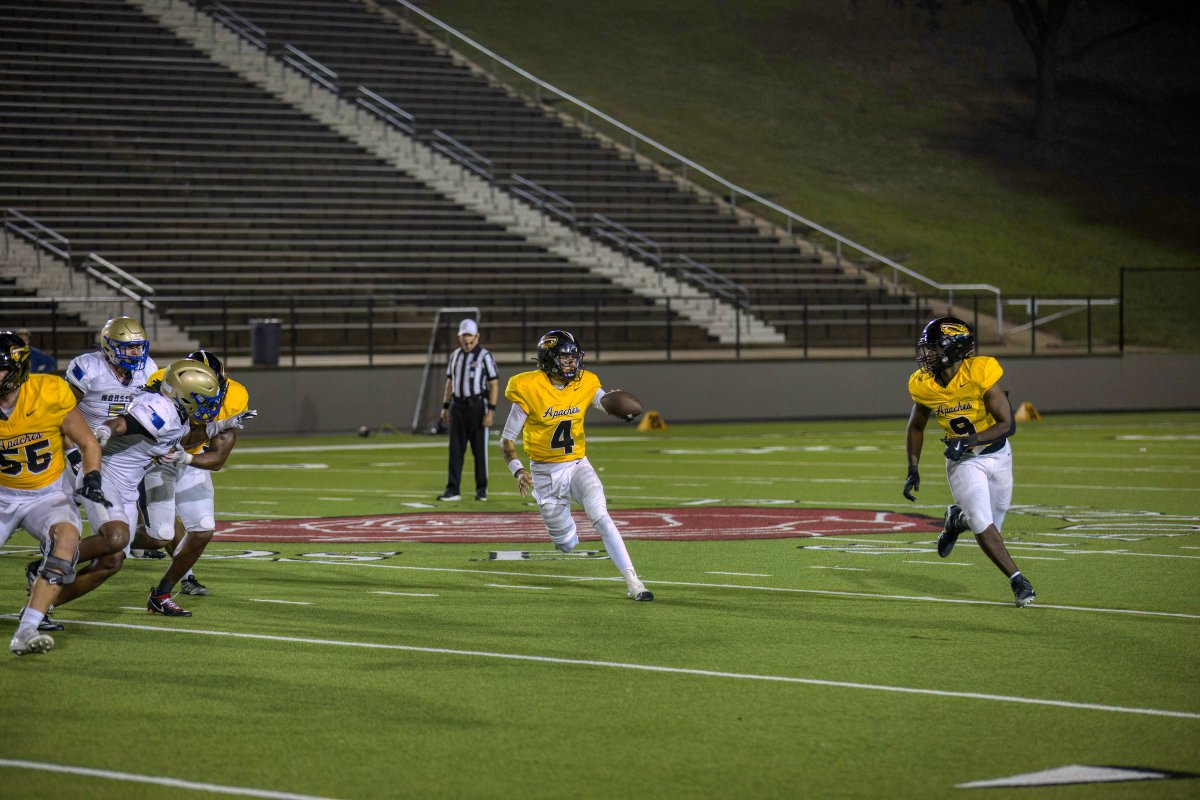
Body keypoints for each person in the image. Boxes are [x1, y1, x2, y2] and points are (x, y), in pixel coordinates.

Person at [49, 359, 227, 616]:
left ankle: (43, 605)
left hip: (126, 489)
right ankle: (50, 561)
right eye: (203, 400)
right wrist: (105, 430)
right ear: (183, 395)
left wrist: (216, 428)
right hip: (105, 478)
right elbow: (123, 423)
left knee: (111, 562)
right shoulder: (161, 409)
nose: (210, 406)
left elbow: (177, 437)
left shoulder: (176, 413)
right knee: (115, 539)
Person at [499, 330, 653, 601]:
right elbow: (506, 441)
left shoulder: (585, 382)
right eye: (565, 359)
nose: (573, 365)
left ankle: (633, 581)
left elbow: (604, 403)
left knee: (601, 516)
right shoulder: (528, 388)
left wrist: (620, 408)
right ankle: (566, 531)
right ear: (549, 360)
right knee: (567, 544)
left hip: (577, 464)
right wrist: (518, 470)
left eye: (574, 359)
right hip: (545, 473)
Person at [903, 317, 1035, 608]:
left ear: (954, 347)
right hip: (963, 462)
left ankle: (955, 520)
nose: (928, 354)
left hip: (998, 455)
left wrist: (969, 440)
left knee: (990, 524)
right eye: (928, 348)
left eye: (935, 347)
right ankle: (1018, 581)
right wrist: (913, 467)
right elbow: (916, 426)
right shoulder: (924, 384)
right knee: (981, 522)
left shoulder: (979, 371)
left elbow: (1006, 423)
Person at [0, 331, 110, 655]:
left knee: (66, 544)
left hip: (47, 494)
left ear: (17, 368)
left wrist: (92, 478)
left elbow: (88, 442)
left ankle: (27, 630)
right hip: (2, 493)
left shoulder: (49, 391)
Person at [141, 350, 255, 610]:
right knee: (159, 535)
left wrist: (187, 457)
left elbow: (217, 459)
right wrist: (214, 427)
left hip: (189, 459)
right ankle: (109, 542)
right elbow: (167, 439)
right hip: (155, 459)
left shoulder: (235, 395)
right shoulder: (162, 384)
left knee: (203, 529)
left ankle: (162, 594)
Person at [437, 318, 499, 502]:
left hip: (477, 406)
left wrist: (491, 411)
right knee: (455, 450)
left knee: (479, 451)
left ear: (476, 336)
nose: (467, 339)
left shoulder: (484, 356)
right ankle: (453, 489)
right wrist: (445, 405)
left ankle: (481, 489)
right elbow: (450, 381)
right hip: (457, 406)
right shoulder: (455, 355)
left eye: (469, 335)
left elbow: (494, 384)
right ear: (459, 337)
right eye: (464, 335)